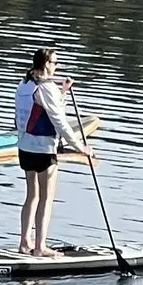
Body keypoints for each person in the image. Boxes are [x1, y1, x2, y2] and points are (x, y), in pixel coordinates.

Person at [15, 47, 87, 256]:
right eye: (55, 63)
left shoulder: (24, 84)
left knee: (31, 196)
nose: (56, 67)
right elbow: (60, 122)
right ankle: (40, 247)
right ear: (46, 64)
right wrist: (80, 147)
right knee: (46, 198)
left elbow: (43, 108)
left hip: (25, 148)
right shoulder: (47, 88)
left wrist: (62, 92)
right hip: (44, 150)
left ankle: (24, 243)